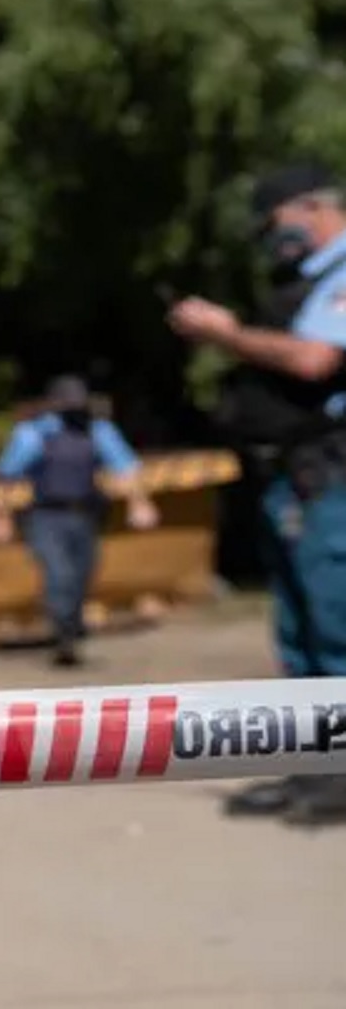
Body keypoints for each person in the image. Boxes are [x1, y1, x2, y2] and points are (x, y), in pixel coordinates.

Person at [169, 161, 346, 824]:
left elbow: (314, 361)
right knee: (298, 632)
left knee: (336, 626)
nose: (274, 241)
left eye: (275, 225)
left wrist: (225, 333)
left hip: (333, 475)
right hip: (294, 476)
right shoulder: (305, 285)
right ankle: (315, 767)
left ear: (310, 208)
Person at [0, 376, 159, 668]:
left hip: (85, 514)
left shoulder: (97, 431)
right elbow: (7, 476)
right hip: (46, 515)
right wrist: (0, 518)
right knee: (59, 574)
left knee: (82, 575)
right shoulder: (35, 434)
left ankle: (71, 625)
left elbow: (124, 467)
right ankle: (64, 634)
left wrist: (139, 503)